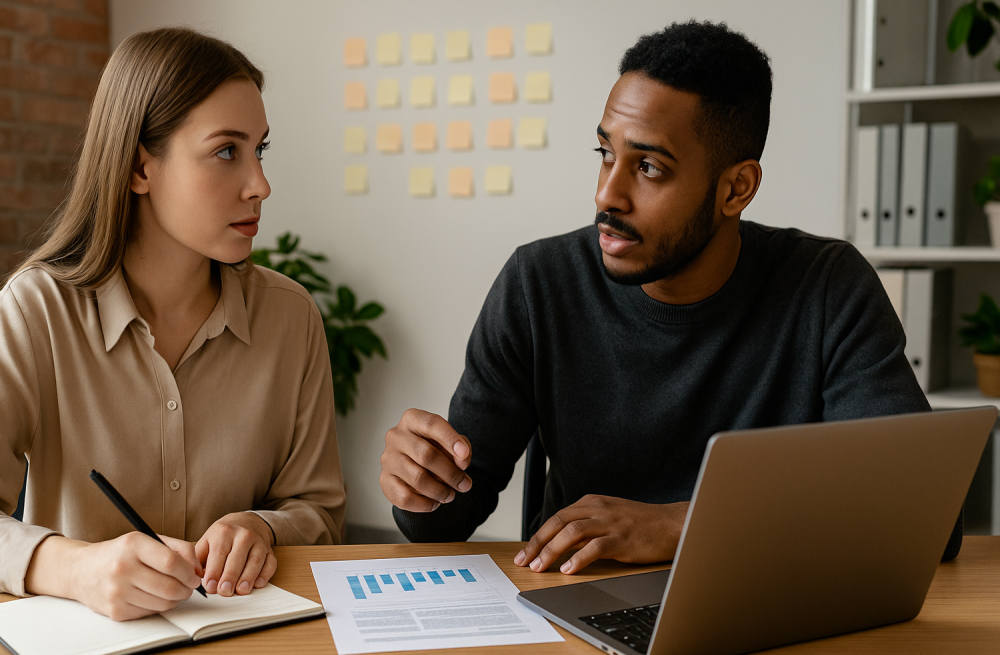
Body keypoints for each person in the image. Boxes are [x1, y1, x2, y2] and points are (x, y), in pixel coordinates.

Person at [379, 21, 933, 574]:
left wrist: (683, 524)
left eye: (648, 167)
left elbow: (921, 511)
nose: (606, 194)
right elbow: (447, 516)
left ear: (736, 188)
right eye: (604, 153)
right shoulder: (538, 283)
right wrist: (419, 482)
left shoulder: (828, 287)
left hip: (763, 604)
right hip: (573, 610)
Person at [0, 28, 345, 620]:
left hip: (252, 650)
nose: (261, 185)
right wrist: (75, 568)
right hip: (86, 653)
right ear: (140, 167)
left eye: (260, 150)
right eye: (227, 151)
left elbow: (319, 511)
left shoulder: (290, 317)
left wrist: (263, 529)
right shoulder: (36, 311)